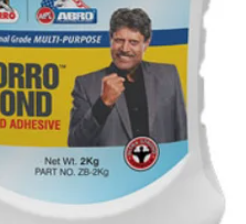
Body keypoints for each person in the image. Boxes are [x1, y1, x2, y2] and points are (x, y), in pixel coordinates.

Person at [68, 8, 187, 147]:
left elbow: (182, 134)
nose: (125, 49)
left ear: (146, 43)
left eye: (133, 42)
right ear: (110, 39)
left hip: (162, 161)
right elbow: (75, 144)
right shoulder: (85, 84)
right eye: (119, 40)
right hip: (112, 162)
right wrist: (103, 104)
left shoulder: (168, 75)